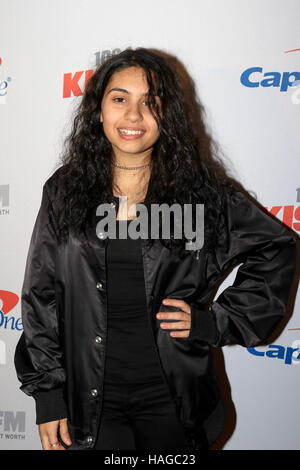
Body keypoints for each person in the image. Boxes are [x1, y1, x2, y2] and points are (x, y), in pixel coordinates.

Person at [14, 47, 297, 451]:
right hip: (88, 403)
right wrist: (47, 392)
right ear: (99, 110)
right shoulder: (65, 190)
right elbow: (40, 296)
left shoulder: (199, 194)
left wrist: (214, 321)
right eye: (119, 99)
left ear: (168, 115)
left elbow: (276, 248)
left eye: (151, 102)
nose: (133, 115)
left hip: (173, 404)